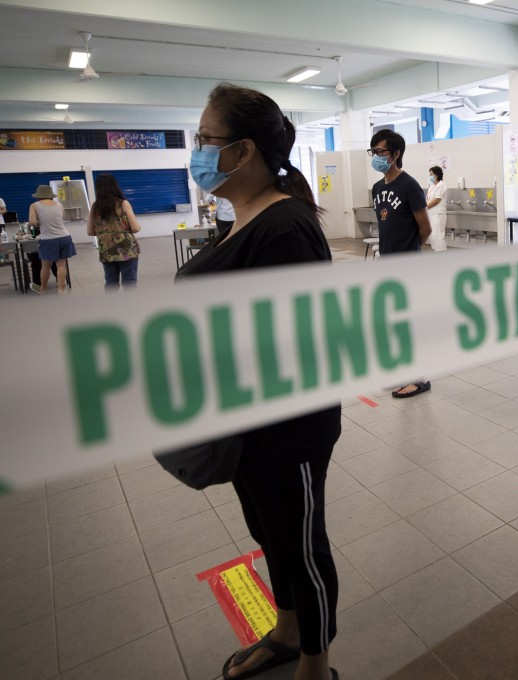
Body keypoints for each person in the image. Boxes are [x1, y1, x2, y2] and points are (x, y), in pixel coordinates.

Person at [176, 83, 341, 680]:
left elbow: (303, 342)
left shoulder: (286, 227)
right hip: (246, 420)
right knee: (269, 532)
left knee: (301, 542)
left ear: (243, 151)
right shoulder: (244, 217)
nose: (197, 151)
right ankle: (289, 631)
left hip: (288, 428)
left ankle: (316, 665)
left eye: (205, 140)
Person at [369, 129, 433, 398]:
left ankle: (418, 377)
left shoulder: (409, 186)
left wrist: (408, 252)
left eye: (381, 152)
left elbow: (425, 228)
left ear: (396, 154)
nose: (376, 157)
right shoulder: (377, 188)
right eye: (373, 152)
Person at [86, 174, 142, 291]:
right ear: (114, 186)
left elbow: (90, 231)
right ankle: (132, 308)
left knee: (111, 284)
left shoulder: (95, 207)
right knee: (129, 283)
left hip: (106, 250)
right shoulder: (123, 204)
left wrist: (105, 232)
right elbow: (136, 228)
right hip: (126, 249)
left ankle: (113, 308)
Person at [28, 185, 75, 295]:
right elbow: (60, 219)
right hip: (64, 236)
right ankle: (61, 290)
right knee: (61, 265)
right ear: (51, 195)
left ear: (38, 196)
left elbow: (32, 222)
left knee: (45, 265)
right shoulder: (59, 205)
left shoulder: (34, 206)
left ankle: (43, 289)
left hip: (48, 239)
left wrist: (42, 223)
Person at [426, 165, 448, 252]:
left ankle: (443, 257)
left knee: (438, 236)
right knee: (432, 236)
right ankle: (438, 255)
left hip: (438, 215)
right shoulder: (432, 186)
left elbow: (436, 200)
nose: (430, 176)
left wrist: (424, 207)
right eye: (429, 174)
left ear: (437, 175)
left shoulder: (441, 185)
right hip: (431, 214)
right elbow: (428, 199)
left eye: (431, 174)